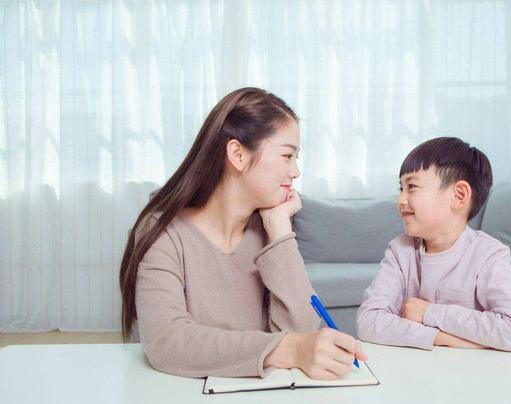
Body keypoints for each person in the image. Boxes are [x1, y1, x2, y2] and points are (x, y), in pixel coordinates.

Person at [119, 87, 367, 379]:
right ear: (237, 154)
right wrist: (289, 349)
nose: (296, 172)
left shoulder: (270, 229)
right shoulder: (163, 231)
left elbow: (303, 330)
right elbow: (167, 342)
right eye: (287, 156)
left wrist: (279, 230)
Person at [357, 137, 511, 352]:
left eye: (411, 187)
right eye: (400, 188)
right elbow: (368, 322)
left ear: (459, 196)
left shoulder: (489, 255)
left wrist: (429, 313)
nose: (400, 200)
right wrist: (441, 337)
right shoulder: (400, 251)